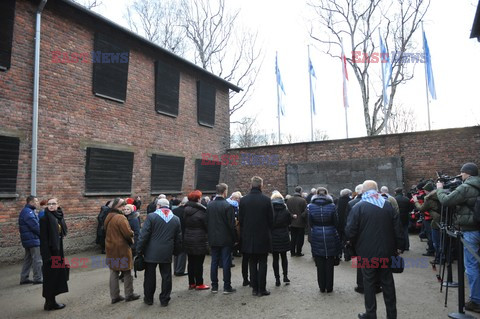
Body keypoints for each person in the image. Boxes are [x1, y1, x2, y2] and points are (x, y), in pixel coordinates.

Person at [346, 180, 404, 319]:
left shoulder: (359, 207)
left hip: (366, 252)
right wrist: (400, 246)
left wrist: (352, 246)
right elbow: (398, 228)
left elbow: (350, 231)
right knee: (388, 283)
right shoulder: (388, 205)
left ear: (364, 191)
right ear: (377, 190)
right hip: (387, 251)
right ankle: (392, 314)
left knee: (369, 283)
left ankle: (371, 314)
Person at [436, 162, 480, 313]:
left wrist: (440, 190)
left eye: (461, 173)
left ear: (466, 173)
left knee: (472, 265)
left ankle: (476, 300)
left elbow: (446, 201)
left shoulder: (466, 187)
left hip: (470, 230)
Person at [137, 198, 182, 306]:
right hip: (167, 251)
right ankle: (165, 299)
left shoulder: (151, 216)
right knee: (166, 276)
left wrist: (139, 250)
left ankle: (148, 299)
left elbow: (144, 236)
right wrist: (176, 251)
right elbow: (178, 238)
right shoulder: (176, 219)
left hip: (151, 251)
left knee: (149, 276)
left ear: (158, 206)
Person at [239, 176, 274, 296]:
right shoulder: (266, 200)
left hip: (248, 236)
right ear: (261, 185)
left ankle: (254, 288)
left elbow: (241, 219)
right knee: (263, 262)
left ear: (251, 185)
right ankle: (262, 288)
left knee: (252, 262)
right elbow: (271, 220)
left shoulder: (243, 200)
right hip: (263, 236)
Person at [104, 198, 140, 304]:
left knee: (114, 272)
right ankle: (129, 294)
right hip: (122, 249)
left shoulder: (108, 216)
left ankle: (115, 296)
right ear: (118, 207)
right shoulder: (121, 218)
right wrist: (132, 236)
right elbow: (128, 234)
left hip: (111, 248)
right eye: (123, 206)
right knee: (127, 271)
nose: (125, 208)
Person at [308, 187, 341, 293]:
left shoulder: (311, 206)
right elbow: (336, 221)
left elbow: (310, 222)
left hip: (317, 233)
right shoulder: (332, 206)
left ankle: (322, 286)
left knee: (319, 261)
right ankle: (329, 286)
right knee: (330, 261)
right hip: (330, 232)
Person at [206, 183, 237, 294]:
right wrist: (235, 238)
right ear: (225, 192)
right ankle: (226, 286)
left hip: (213, 238)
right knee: (226, 262)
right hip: (225, 238)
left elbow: (207, 222)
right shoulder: (228, 206)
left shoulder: (210, 205)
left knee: (214, 261)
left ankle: (214, 286)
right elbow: (231, 225)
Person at [39, 198, 68, 311]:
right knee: (50, 277)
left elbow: (60, 234)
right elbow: (44, 239)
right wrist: (47, 256)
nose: (51, 206)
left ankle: (52, 301)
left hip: (58, 251)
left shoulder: (58, 216)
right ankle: (49, 303)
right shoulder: (44, 219)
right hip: (50, 253)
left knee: (57, 276)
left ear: (58, 205)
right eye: (49, 204)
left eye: (53, 204)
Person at [183, 190, 209, 290]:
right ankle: (199, 283)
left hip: (188, 238)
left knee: (191, 261)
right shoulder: (202, 212)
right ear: (198, 199)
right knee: (199, 263)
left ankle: (191, 283)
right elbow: (206, 225)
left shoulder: (185, 210)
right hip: (199, 239)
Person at [412, 182, 441, 262]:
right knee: (439, 239)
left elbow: (421, 209)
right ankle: (440, 256)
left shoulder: (428, 198)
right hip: (440, 218)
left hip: (433, 219)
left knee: (434, 239)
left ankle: (438, 257)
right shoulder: (439, 195)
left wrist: (415, 201)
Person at [18, 195, 42, 285]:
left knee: (28, 259)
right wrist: (43, 235)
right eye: (36, 201)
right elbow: (35, 227)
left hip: (28, 239)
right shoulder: (29, 212)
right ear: (31, 202)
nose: (37, 203)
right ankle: (38, 278)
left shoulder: (27, 211)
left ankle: (24, 278)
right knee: (37, 259)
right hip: (32, 239)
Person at [270, 192, 291, 287]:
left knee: (275, 258)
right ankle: (285, 276)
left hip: (273, 235)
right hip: (283, 235)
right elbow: (289, 222)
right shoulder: (286, 211)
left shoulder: (270, 211)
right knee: (284, 257)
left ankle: (277, 279)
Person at [286, 186, 307, 257]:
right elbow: (306, 211)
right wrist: (302, 216)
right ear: (300, 191)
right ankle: (298, 252)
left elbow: (287, 211)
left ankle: (292, 252)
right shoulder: (303, 200)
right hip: (300, 222)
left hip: (292, 222)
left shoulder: (289, 200)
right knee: (300, 238)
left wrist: (292, 215)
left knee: (293, 237)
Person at [172, 196, 188, 277]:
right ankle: (180, 270)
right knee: (182, 253)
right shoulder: (186, 211)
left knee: (176, 253)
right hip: (184, 233)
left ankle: (175, 269)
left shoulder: (174, 210)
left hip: (175, 233)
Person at [336, 188, 352, 261]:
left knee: (339, 239)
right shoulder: (350, 201)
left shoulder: (338, 201)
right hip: (347, 223)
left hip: (339, 223)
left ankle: (338, 254)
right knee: (347, 240)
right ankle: (347, 256)